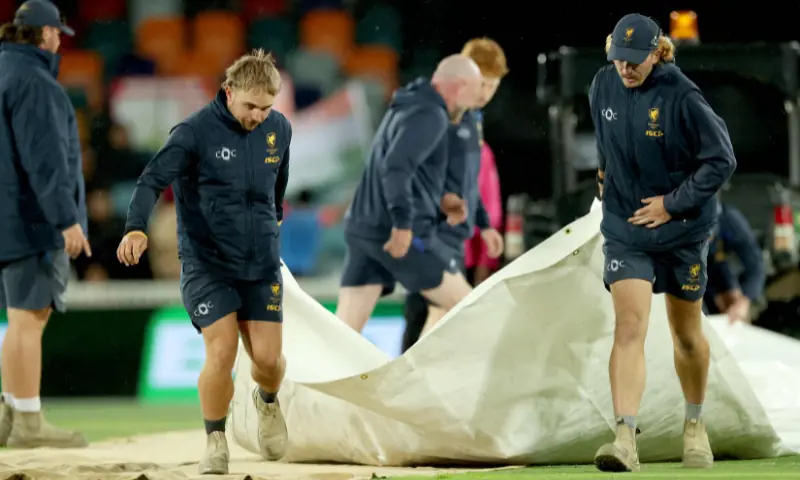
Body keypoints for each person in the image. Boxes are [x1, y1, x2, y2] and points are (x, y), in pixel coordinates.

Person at [117, 49, 291, 475]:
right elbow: (151, 180)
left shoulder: (280, 129)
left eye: (266, 107)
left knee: (268, 361)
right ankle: (216, 441)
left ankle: (267, 402)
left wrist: (276, 221)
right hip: (206, 263)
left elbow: (277, 184)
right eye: (250, 106)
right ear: (229, 91)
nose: (258, 116)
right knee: (222, 350)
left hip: (261, 262)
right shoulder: (194, 132)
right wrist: (136, 227)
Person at [590, 14, 736, 472]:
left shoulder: (683, 96)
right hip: (626, 226)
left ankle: (694, 425)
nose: (626, 69)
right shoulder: (601, 84)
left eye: (636, 61)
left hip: (681, 230)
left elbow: (721, 160)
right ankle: (624, 437)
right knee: (629, 325)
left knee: (686, 336)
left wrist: (673, 204)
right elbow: (605, 141)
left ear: (657, 53)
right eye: (619, 59)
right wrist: (605, 179)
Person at [336, 54, 483, 333]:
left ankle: (308, 377)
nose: (471, 105)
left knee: (344, 334)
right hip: (397, 233)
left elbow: (402, 172)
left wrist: (442, 202)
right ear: (459, 86)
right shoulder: (431, 115)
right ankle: (417, 377)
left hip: (364, 227)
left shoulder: (407, 106)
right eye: (473, 94)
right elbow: (395, 168)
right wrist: (403, 225)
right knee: (469, 309)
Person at [0, 0, 90, 449]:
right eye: (56, 33)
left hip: (4, 218)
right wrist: (66, 220)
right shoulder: (35, 83)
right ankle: (29, 421)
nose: (59, 41)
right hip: (30, 220)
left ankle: (10, 415)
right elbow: (46, 161)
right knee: (28, 318)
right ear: (43, 35)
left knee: (17, 318)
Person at [402, 38, 508, 352]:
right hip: (429, 232)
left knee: (438, 314)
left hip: (450, 235)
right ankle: (409, 386)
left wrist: (485, 226)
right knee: (441, 313)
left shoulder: (472, 119)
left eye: (493, 86)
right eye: (482, 84)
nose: (486, 94)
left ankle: (411, 386)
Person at [705, 201, 765, 324]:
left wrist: (744, 301)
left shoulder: (730, 222)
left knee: (733, 307)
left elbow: (756, 265)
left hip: (715, 268)